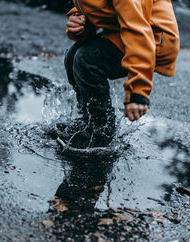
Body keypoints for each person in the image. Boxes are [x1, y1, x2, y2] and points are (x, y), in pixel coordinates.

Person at [60, 0, 180, 148]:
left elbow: (138, 32)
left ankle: (101, 130)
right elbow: (99, 9)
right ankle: (89, 120)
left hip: (153, 36)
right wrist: (79, 24)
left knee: (87, 58)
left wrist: (138, 91)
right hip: (123, 30)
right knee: (72, 57)